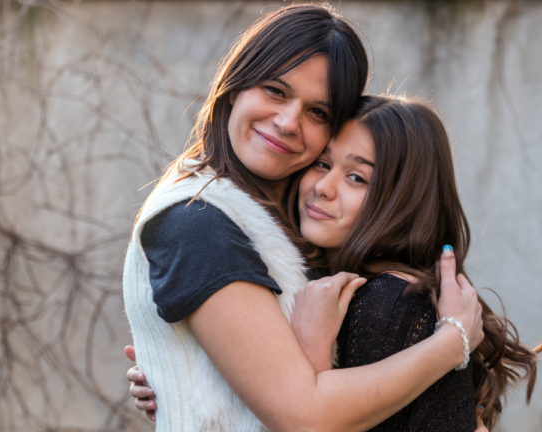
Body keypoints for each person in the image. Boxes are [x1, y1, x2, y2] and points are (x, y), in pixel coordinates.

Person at [122, 5, 484, 432]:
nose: (287, 122)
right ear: (236, 85)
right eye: (275, 90)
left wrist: (192, 374)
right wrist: (451, 342)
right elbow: (304, 416)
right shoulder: (199, 222)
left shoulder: (302, 235)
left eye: (318, 113)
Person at [127, 95, 542, 430]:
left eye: (357, 178)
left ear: (404, 200)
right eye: (323, 164)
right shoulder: (346, 287)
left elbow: (313, 422)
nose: (324, 188)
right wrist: (188, 381)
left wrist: (312, 351)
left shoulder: (387, 303)